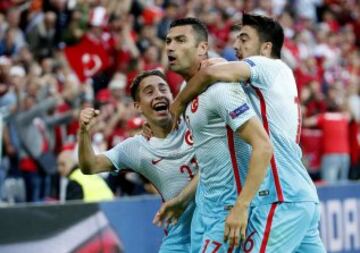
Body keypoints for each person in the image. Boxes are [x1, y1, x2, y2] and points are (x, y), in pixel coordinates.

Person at [168, 14, 325, 252]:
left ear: (266, 47)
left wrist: (178, 104)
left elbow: (210, 74)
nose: (236, 45)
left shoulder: (268, 65)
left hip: (280, 196)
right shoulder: (270, 80)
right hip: (302, 195)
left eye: (244, 39)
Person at [159, 17, 273, 252]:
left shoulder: (220, 89)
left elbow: (262, 145)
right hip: (204, 208)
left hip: (229, 209)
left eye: (181, 40)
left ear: (203, 48)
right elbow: (212, 158)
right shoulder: (186, 90)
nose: (171, 47)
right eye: (168, 41)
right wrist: (183, 199)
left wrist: (241, 206)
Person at [78, 69, 199, 253]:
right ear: (138, 106)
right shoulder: (136, 148)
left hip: (216, 224)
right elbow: (90, 165)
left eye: (163, 89)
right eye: (149, 92)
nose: (158, 94)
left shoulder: (196, 120)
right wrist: (84, 132)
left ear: (173, 95)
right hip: (180, 236)